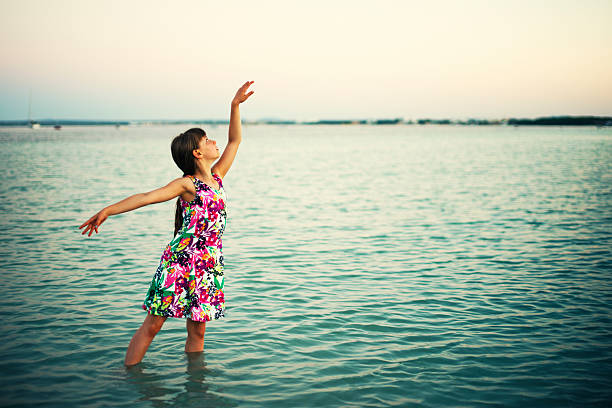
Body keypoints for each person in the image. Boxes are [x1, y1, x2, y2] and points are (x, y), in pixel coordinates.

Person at [78, 81, 254, 366]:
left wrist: (234, 106)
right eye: (206, 140)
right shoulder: (187, 185)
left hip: (208, 264)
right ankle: (128, 375)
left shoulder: (218, 176)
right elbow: (148, 196)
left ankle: (196, 387)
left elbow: (235, 141)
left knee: (198, 330)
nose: (213, 142)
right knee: (154, 325)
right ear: (197, 153)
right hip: (180, 263)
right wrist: (108, 211)